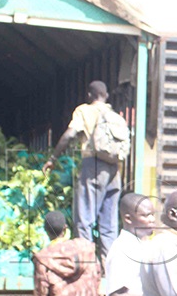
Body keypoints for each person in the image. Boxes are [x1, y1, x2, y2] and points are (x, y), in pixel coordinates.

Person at [43, 80, 122, 255]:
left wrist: (53, 158)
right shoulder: (114, 115)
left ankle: (85, 263)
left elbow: (70, 134)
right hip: (114, 169)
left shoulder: (84, 111)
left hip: (92, 165)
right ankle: (108, 269)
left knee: (84, 216)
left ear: (89, 95)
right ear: (106, 96)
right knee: (109, 222)